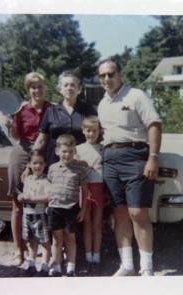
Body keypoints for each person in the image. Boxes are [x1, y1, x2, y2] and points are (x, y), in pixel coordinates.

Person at [97, 58, 162, 276]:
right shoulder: (102, 103)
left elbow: (154, 124)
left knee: (138, 212)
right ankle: (127, 265)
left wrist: (153, 157)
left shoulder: (136, 95)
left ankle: (146, 268)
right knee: (120, 212)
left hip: (136, 156)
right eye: (102, 75)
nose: (107, 78)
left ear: (120, 74)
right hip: (111, 159)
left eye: (111, 74)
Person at [7, 72, 52, 266]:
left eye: (40, 86)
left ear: (45, 88)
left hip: (46, 153)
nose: (37, 90)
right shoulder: (21, 110)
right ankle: (19, 250)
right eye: (33, 87)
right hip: (24, 152)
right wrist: (10, 124)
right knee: (19, 204)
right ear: (28, 90)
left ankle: (48, 251)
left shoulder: (53, 108)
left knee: (49, 202)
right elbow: (17, 136)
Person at [31, 70, 97, 167]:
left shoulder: (88, 110)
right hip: (54, 161)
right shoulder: (51, 111)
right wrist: (31, 163)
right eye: (65, 85)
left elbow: (97, 135)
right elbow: (41, 140)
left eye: (72, 85)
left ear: (79, 89)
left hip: (81, 161)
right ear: (60, 89)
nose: (69, 88)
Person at [47, 134, 88, 277]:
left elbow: (84, 191)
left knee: (70, 238)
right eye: (64, 151)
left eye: (71, 151)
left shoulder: (79, 170)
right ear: (57, 151)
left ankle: (71, 268)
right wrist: (48, 204)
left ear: (74, 151)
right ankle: (56, 266)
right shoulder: (52, 168)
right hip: (55, 208)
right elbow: (49, 186)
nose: (67, 154)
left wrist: (82, 210)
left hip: (71, 208)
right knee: (57, 239)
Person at [75, 116, 107, 276]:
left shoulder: (103, 148)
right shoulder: (78, 149)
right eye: (88, 130)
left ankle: (97, 258)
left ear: (99, 131)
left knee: (98, 225)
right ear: (83, 130)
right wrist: (79, 165)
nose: (91, 133)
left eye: (94, 130)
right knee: (86, 225)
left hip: (99, 189)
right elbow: (74, 169)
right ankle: (88, 259)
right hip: (85, 189)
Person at [17, 149, 51, 276]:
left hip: (40, 215)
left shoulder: (46, 180)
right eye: (35, 163)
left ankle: (45, 266)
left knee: (45, 241)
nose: (38, 166)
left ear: (45, 164)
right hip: (28, 215)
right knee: (32, 240)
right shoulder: (28, 179)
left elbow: (48, 197)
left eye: (41, 163)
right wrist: (21, 197)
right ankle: (31, 264)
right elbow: (23, 195)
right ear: (29, 164)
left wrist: (33, 198)